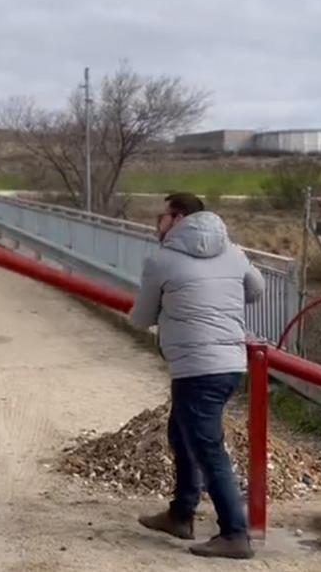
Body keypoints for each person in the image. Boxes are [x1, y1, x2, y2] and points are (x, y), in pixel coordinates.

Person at [129, 192, 265, 560]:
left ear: (178, 218)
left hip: (196, 368)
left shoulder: (161, 260)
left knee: (208, 448)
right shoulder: (232, 252)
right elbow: (257, 289)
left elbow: (141, 318)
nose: (158, 222)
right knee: (180, 431)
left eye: (162, 215)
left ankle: (235, 534)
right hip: (229, 365)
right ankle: (180, 514)